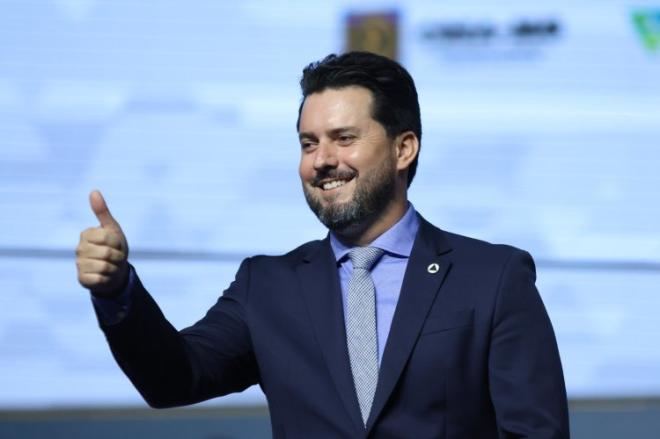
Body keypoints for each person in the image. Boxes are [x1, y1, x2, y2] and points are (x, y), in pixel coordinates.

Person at [76, 52, 570, 438]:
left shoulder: (492, 278)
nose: (321, 160)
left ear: (403, 149)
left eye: (343, 138)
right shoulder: (265, 287)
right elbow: (173, 379)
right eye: (308, 143)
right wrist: (117, 290)